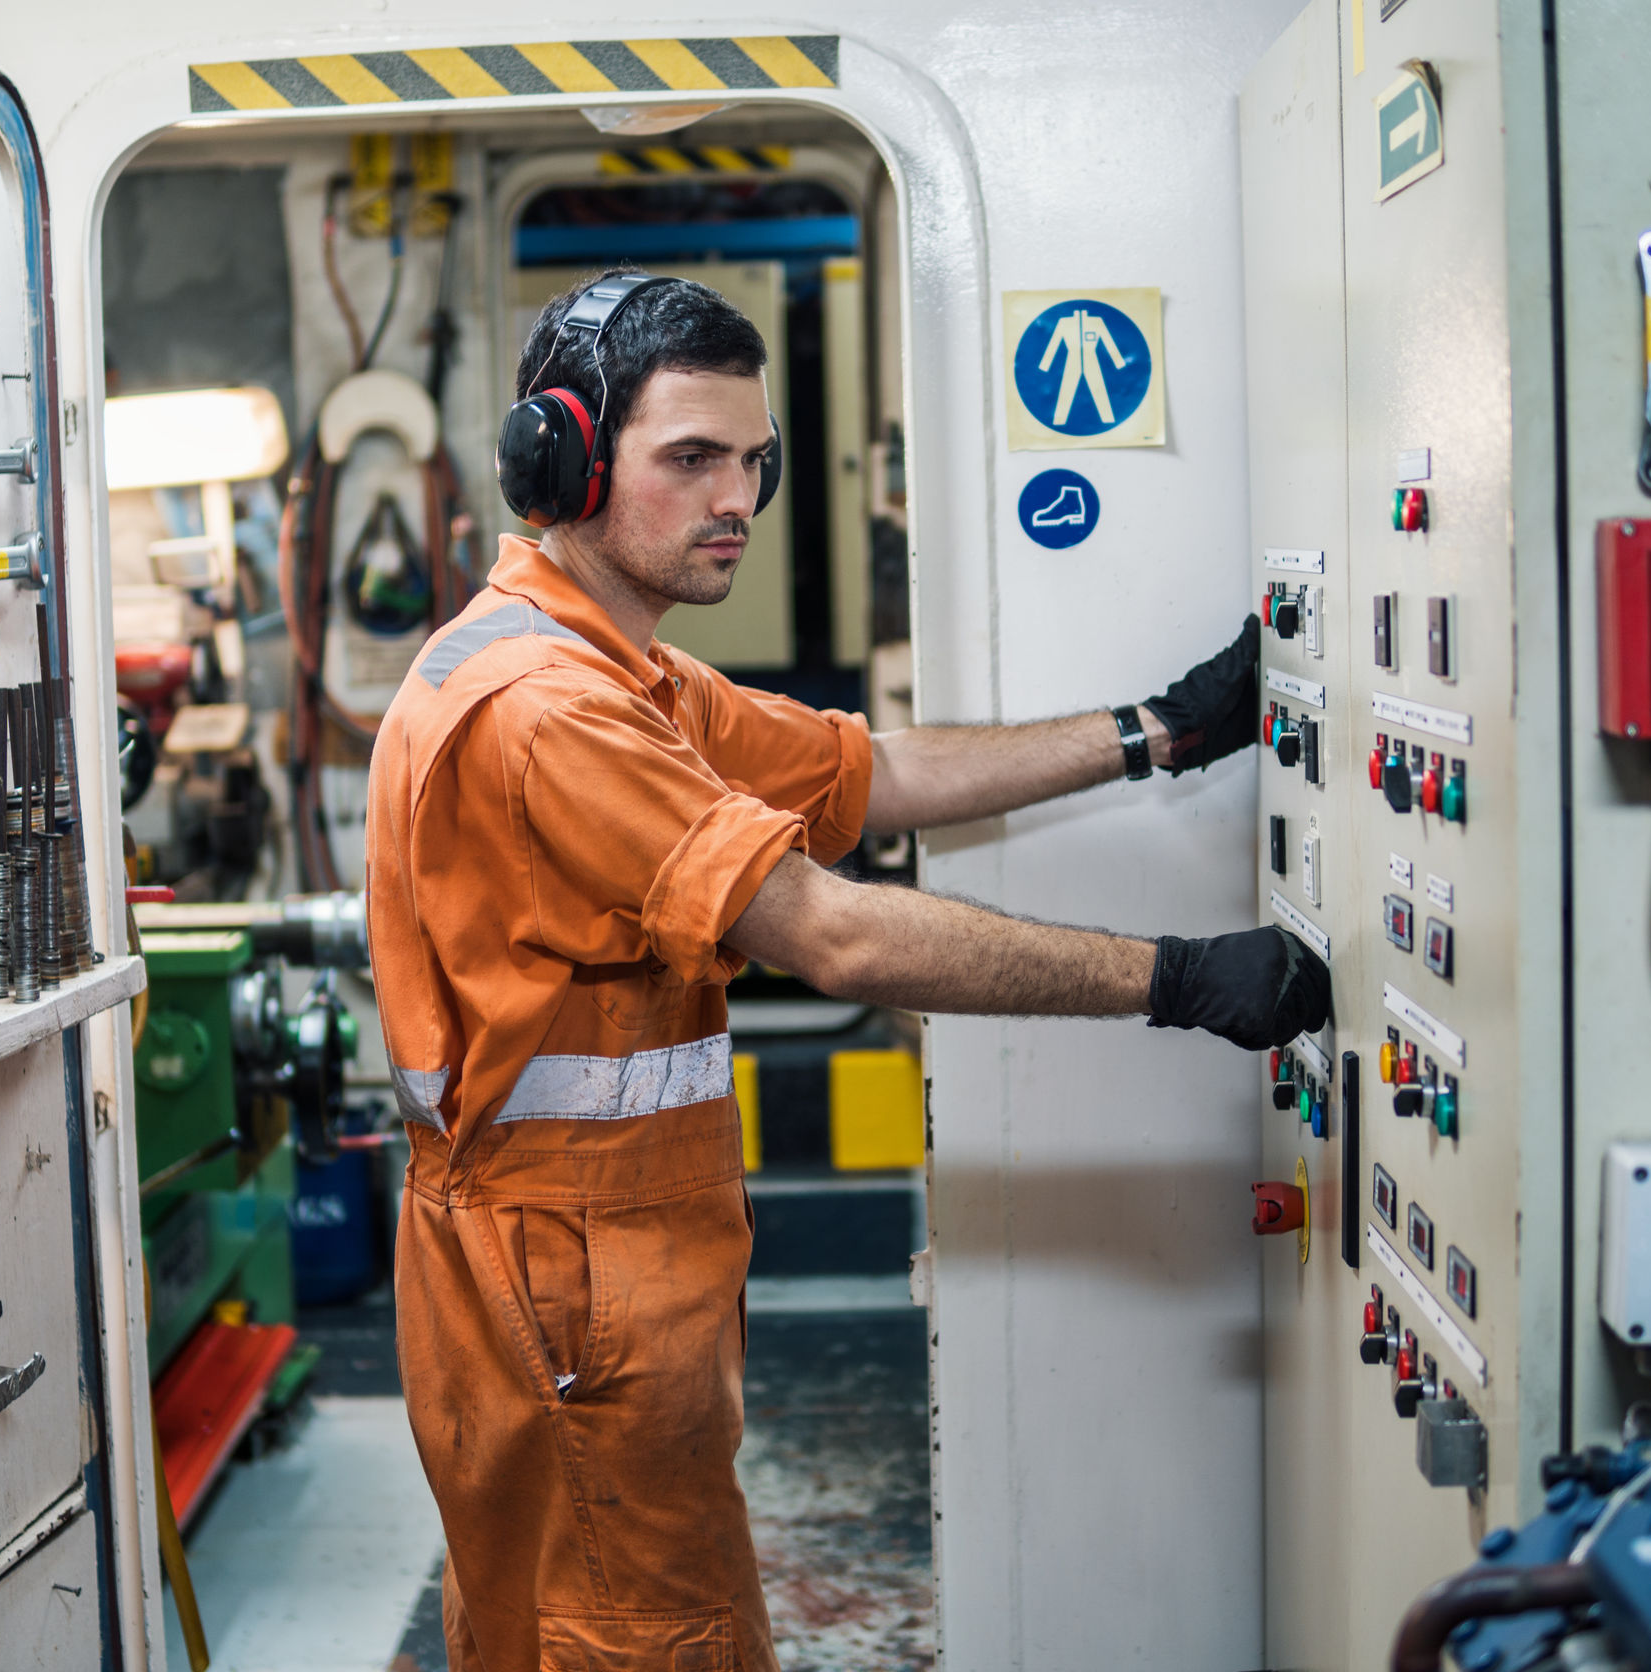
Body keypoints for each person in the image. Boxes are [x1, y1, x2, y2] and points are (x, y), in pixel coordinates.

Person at [365, 270, 1328, 1672]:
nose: (734, 498)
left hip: (587, 1262)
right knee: (641, 1640)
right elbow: (837, 933)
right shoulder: (547, 710)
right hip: (563, 1272)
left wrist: (1163, 729)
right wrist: (1180, 980)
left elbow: (872, 775)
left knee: (566, 1626)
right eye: (688, 459)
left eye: (751, 460)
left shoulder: (619, 665)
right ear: (560, 462)